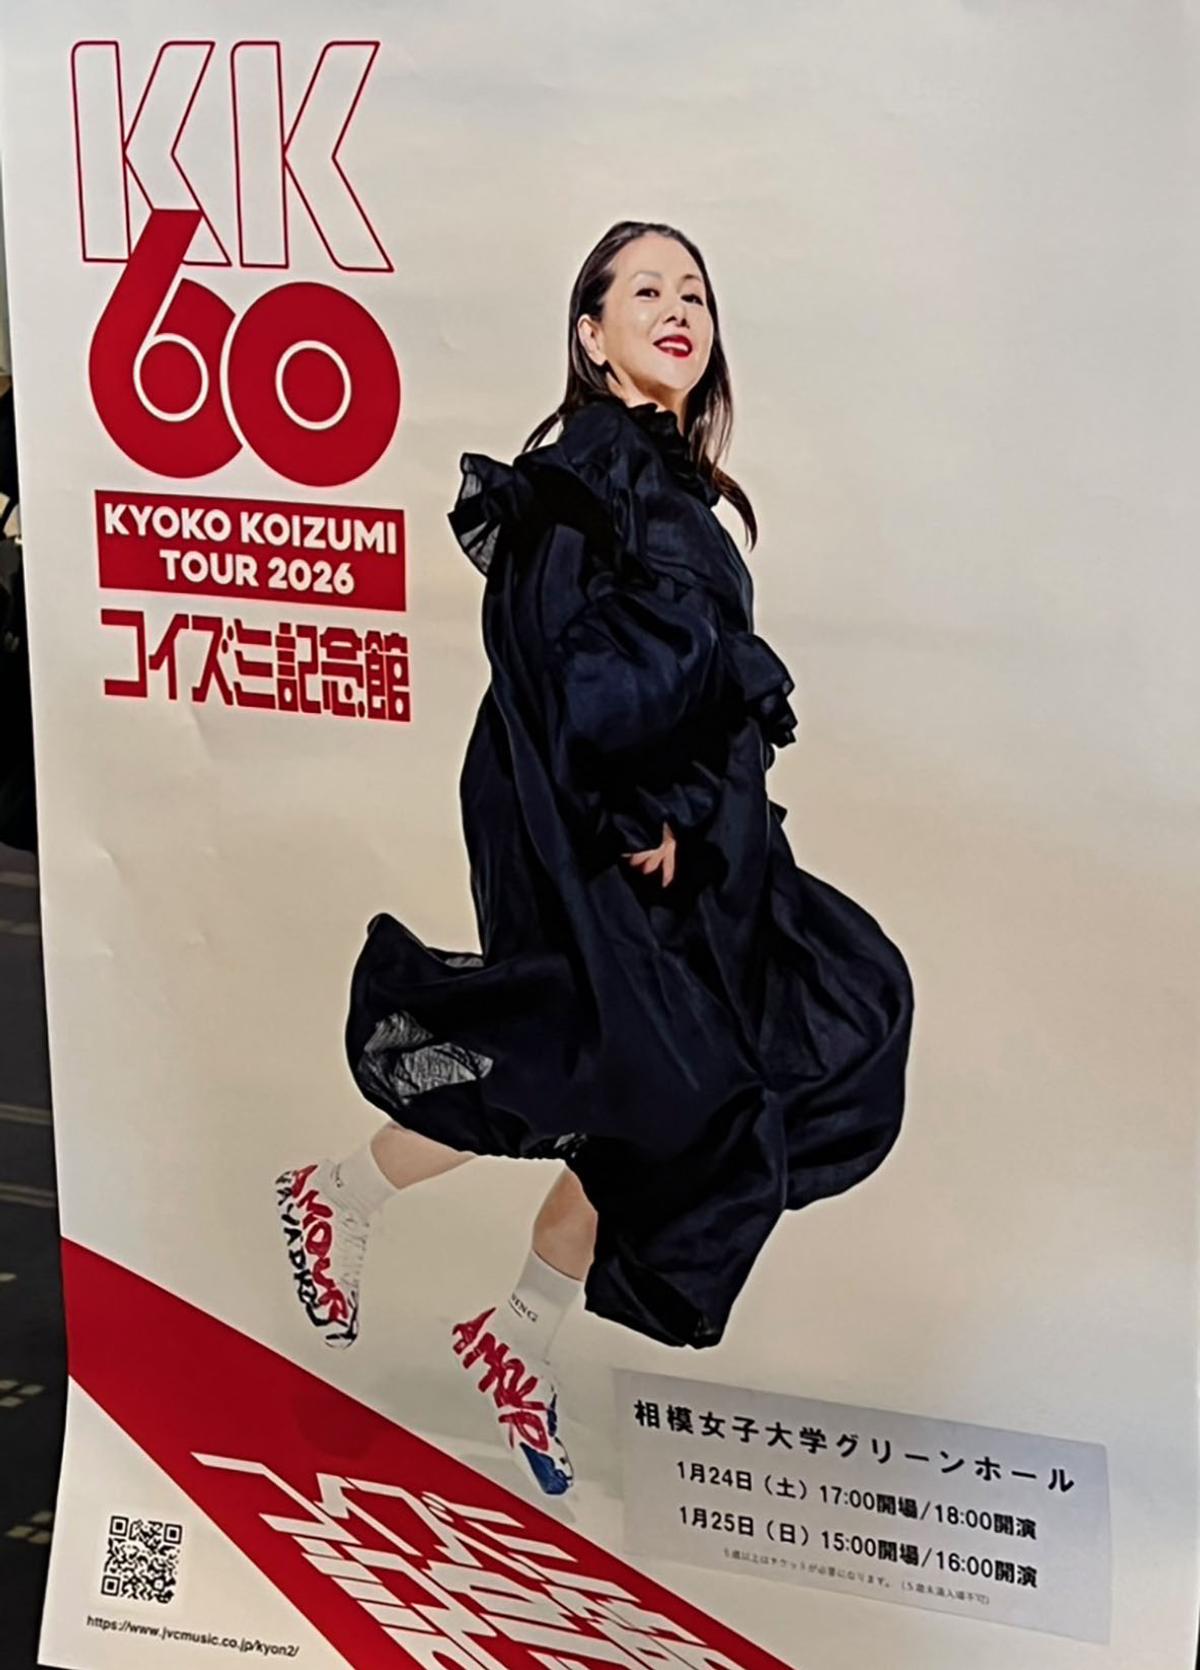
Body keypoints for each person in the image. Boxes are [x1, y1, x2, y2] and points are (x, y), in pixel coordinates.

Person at [276, 220, 914, 1498]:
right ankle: (341, 1195)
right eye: (647, 291)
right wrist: (631, 816)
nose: (678, 310)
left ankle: (510, 1327)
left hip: (696, 833)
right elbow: (548, 649)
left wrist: (699, 809)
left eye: (696, 294)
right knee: (619, 1064)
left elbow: (688, 671)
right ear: (591, 333)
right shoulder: (582, 466)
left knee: (800, 1030)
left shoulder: (673, 481)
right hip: (585, 814)